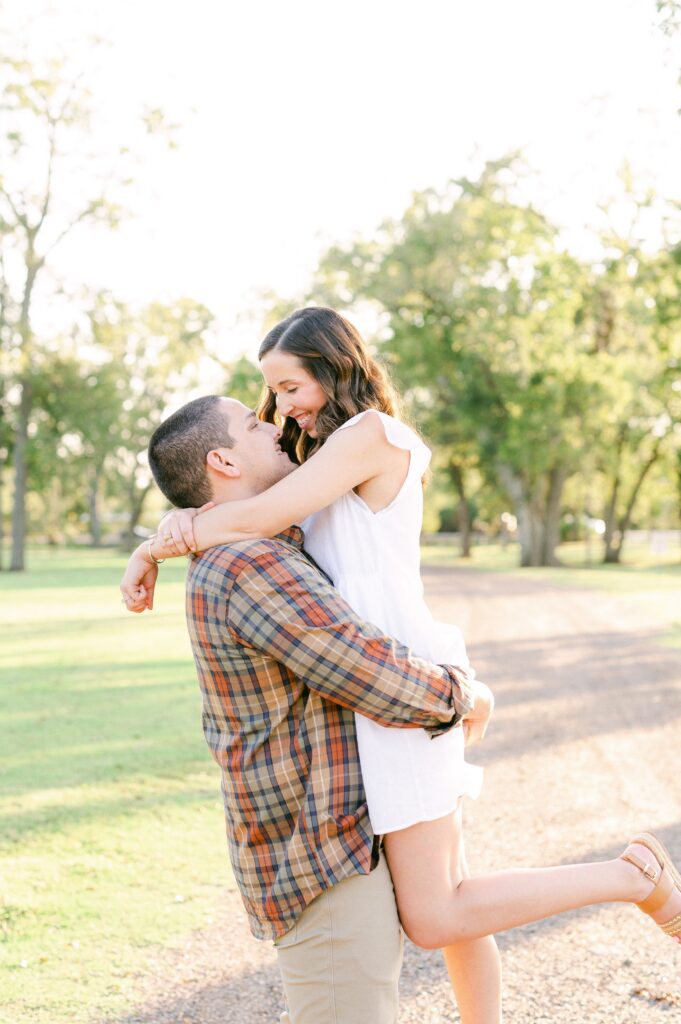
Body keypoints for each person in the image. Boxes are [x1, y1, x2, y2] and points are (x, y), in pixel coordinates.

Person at [122, 309, 681, 1023]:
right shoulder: (317, 459)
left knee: (437, 911)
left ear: (333, 365)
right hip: (382, 684)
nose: (280, 411)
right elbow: (250, 512)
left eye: (289, 388)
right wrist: (163, 536)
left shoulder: (369, 436)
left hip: (402, 678)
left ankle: (630, 877)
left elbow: (253, 518)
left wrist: (156, 546)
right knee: (455, 898)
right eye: (270, 399)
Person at [128, 393, 484, 1024]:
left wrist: (158, 542)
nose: (272, 427)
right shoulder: (251, 564)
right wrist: (464, 694)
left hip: (326, 842)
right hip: (316, 853)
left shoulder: (258, 544)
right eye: (252, 423)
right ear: (223, 461)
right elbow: (367, 671)